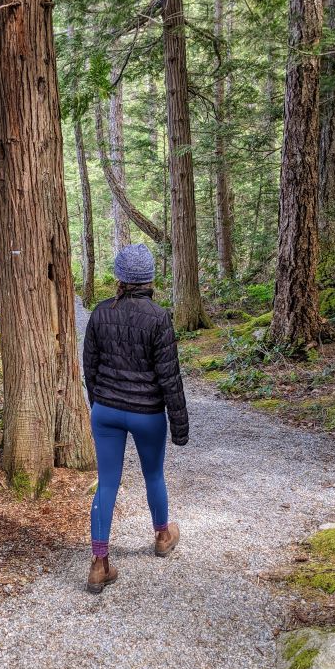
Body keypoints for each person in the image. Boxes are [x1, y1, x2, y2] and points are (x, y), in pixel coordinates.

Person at [82, 243, 189, 594]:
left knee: (107, 482)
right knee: (153, 474)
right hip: (147, 414)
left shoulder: (99, 313)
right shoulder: (159, 317)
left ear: (120, 278)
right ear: (149, 279)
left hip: (107, 411)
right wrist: (179, 425)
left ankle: (99, 564)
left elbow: (90, 367)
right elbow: (169, 376)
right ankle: (161, 535)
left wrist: (99, 403)